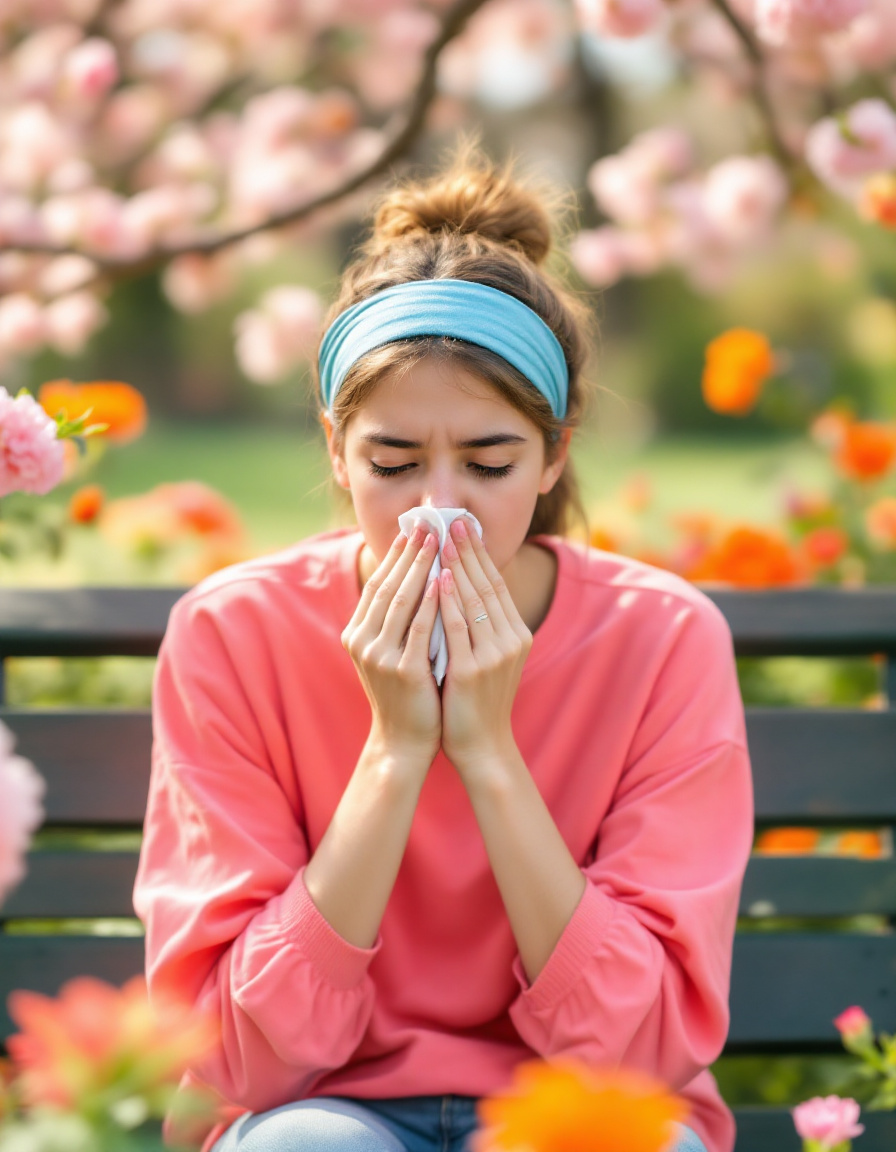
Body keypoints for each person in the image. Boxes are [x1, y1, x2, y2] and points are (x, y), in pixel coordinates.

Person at [133, 140, 754, 1152]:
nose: (437, 511)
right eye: (391, 462)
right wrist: (392, 752)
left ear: (552, 453)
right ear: (336, 450)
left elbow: (641, 1056)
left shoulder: (661, 639)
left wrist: (486, 750)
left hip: (572, 1110)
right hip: (322, 1107)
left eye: (487, 461)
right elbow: (230, 1056)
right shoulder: (233, 634)